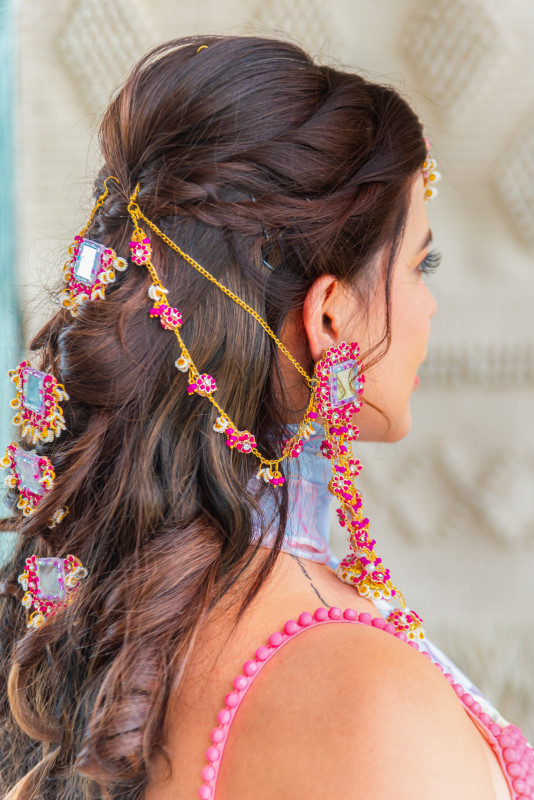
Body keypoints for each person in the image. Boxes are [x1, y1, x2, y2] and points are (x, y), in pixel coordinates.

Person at [0, 35, 531, 800]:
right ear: (329, 317)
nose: (430, 305)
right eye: (422, 264)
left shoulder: (113, 635)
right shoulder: (366, 709)